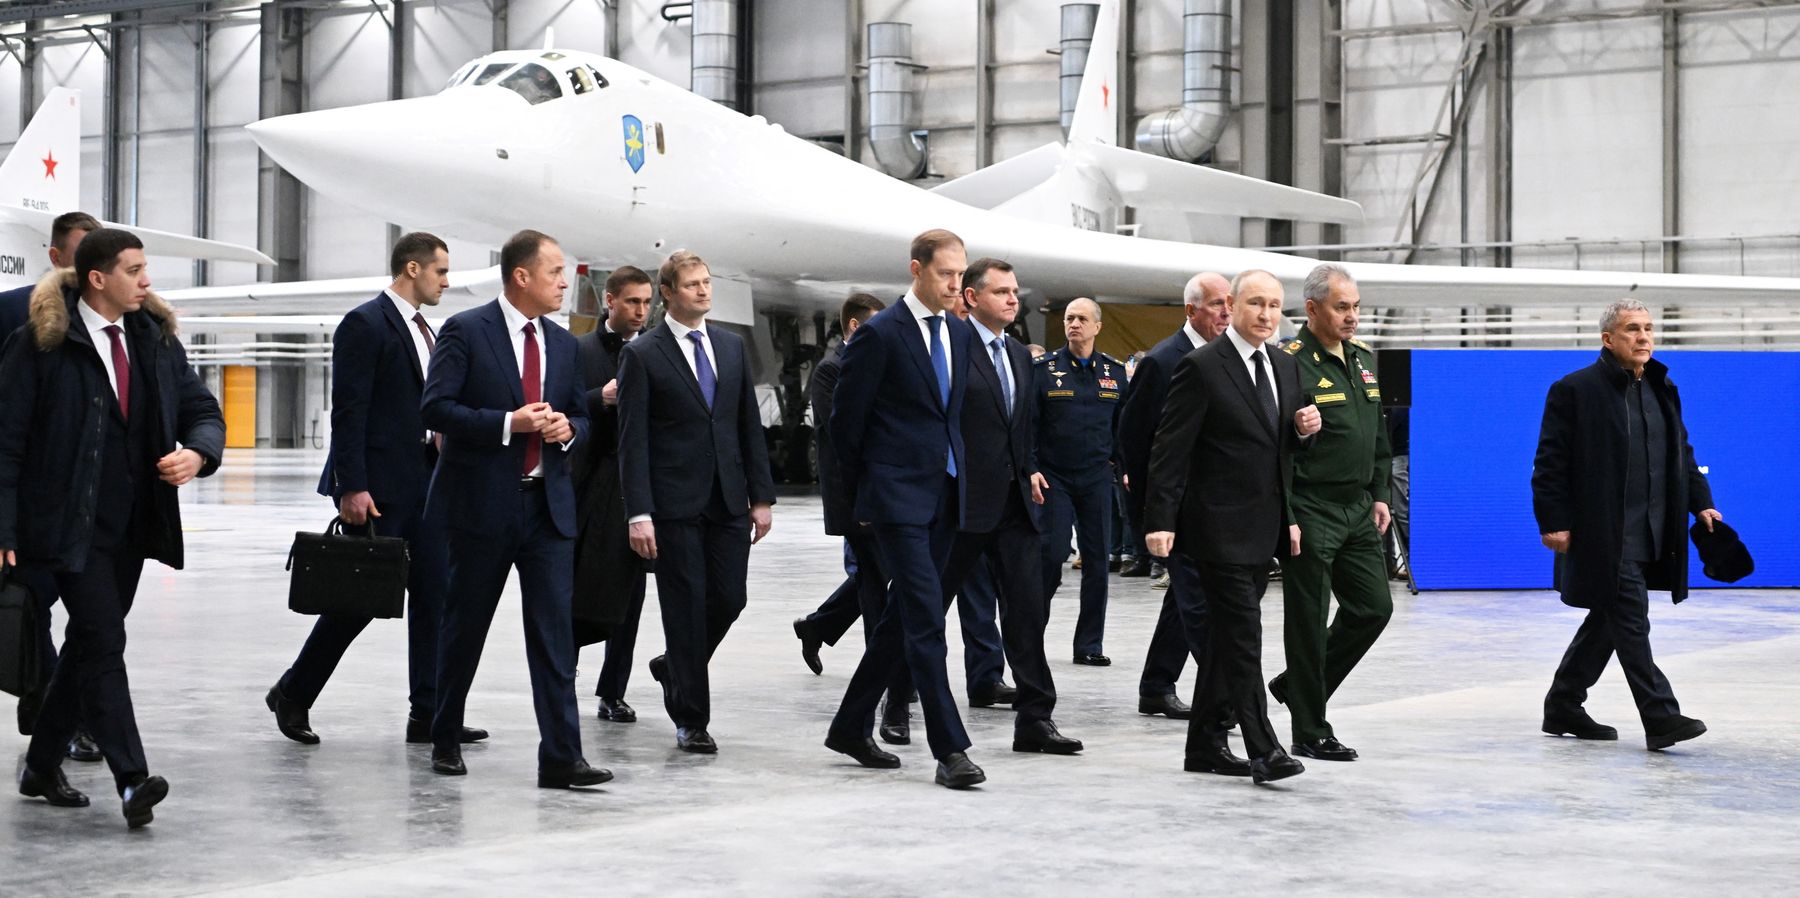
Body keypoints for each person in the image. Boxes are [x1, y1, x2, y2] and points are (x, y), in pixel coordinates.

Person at [2, 228, 225, 827]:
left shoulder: (154, 341)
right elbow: (7, 446)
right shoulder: (41, 345)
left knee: (86, 647)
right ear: (97, 278)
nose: (146, 280)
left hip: (133, 526)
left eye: (145, 268)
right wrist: (5, 530)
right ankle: (132, 779)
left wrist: (198, 452)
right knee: (104, 642)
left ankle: (41, 764)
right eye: (134, 269)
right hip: (63, 528)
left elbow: (202, 409)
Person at [266, 232, 485, 748]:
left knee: (435, 597)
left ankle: (428, 714)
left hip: (426, 485)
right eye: (440, 272)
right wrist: (352, 486)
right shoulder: (366, 323)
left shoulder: (426, 330)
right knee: (359, 599)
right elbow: (349, 410)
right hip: (380, 488)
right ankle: (294, 692)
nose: (446, 283)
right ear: (412, 269)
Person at [421, 229, 610, 788]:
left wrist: (565, 429)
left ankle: (561, 758)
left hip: (547, 509)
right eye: (555, 272)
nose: (563, 282)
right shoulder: (466, 330)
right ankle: (444, 734)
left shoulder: (565, 343)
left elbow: (581, 415)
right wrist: (511, 423)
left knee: (554, 635)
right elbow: (436, 408)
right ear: (521, 277)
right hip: (481, 507)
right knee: (465, 627)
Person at [1144, 269, 1321, 784]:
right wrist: (1160, 521)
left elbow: (1278, 450)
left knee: (1225, 642)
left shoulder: (1285, 369)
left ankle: (1203, 745)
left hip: (1262, 527)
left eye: (1273, 305)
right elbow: (1169, 450)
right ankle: (1264, 749)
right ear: (1233, 306)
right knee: (1244, 638)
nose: (1266, 315)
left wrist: (1304, 432)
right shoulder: (1202, 367)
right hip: (1214, 530)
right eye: (1255, 304)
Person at [824, 228, 985, 790]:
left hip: (947, 493)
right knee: (924, 619)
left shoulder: (960, 335)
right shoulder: (879, 335)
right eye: (946, 274)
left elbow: (954, 418)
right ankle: (951, 749)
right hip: (895, 501)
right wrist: (862, 501)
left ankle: (849, 725)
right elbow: (846, 426)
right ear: (916, 270)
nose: (955, 285)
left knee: (902, 619)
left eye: (961, 276)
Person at [1532, 297, 1719, 752]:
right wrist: (1553, 520)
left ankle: (1563, 704)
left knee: (1609, 620)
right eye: (1632, 329)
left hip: (1652, 527)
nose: (1643, 337)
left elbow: (1683, 451)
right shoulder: (1575, 389)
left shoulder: (1661, 388)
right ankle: (1661, 718)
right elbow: (1549, 462)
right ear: (1608, 339)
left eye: (1648, 329)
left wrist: (1702, 503)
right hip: (1603, 531)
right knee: (1631, 619)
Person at [617, 250, 777, 753]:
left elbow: (746, 424)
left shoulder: (729, 347)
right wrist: (638, 512)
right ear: (668, 292)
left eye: (707, 282)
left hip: (728, 498)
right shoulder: (643, 354)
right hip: (673, 504)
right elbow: (632, 439)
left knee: (730, 598)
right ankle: (691, 719)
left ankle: (673, 667)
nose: (704, 291)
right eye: (692, 285)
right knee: (683, 610)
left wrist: (762, 496)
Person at [941, 257, 1081, 755]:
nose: (1012, 299)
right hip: (959, 506)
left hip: (1015, 504)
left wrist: (1030, 469)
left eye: (1015, 291)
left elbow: (1020, 426)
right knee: (923, 611)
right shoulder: (951, 348)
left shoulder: (1022, 355)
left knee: (1026, 612)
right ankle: (896, 701)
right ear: (972, 298)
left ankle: (1035, 719)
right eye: (1000, 292)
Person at [1267, 264, 1394, 762]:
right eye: (1342, 307)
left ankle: (1296, 686)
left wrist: (1381, 492)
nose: (1353, 316)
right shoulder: (1289, 363)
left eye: (1357, 306)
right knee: (1307, 619)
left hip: (1359, 507)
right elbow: (1275, 446)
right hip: (1312, 507)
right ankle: (1310, 730)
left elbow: (1377, 436)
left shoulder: (1363, 360)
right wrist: (1289, 514)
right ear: (1314, 309)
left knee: (1373, 609)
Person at [791, 294, 921, 741]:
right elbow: (844, 427)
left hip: (887, 489)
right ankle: (882, 675)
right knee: (874, 585)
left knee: (884, 574)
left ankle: (818, 626)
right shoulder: (831, 370)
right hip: (855, 496)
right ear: (852, 327)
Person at [0, 209, 100, 760]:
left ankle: (58, 711)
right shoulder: (13, 313)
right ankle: (51, 709)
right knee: (31, 610)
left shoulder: (123, 323)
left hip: (91, 505)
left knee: (93, 625)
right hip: (33, 499)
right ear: (57, 258)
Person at [1122, 272, 1230, 721]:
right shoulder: (1164, 360)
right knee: (1200, 603)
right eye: (1216, 304)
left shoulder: (1225, 358)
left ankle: (1156, 685)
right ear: (1191, 310)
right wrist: (1152, 514)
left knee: (1182, 602)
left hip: (1211, 504)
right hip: (1175, 508)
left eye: (1230, 302)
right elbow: (1132, 437)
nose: (1226, 311)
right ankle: (1227, 697)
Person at [573, 265, 654, 723]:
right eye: (631, 302)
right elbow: (560, 404)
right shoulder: (579, 350)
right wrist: (595, 398)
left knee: (633, 591)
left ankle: (613, 690)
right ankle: (565, 671)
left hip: (636, 485)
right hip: (588, 483)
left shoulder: (656, 351)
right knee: (579, 583)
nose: (640, 311)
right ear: (610, 301)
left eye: (646, 302)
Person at [1033, 298, 1125, 666]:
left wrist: (1124, 465)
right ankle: (1029, 635)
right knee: (1051, 554)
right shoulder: (1045, 369)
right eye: (1070, 318)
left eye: (1082, 318)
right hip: (1055, 476)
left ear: (1097, 327)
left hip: (1096, 476)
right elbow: (1030, 424)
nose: (1074, 324)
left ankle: (1089, 644)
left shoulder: (1113, 372)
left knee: (1098, 561)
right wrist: (1031, 466)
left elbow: (1123, 426)